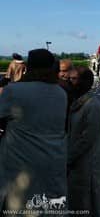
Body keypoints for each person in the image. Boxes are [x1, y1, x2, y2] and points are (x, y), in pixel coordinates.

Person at [0, 49, 67, 211]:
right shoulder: (60, 93)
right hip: (53, 160)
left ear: (29, 66)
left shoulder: (14, 91)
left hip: (21, 164)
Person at [67, 66, 100, 216]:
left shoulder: (93, 106)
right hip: (78, 162)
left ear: (84, 82)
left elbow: (87, 139)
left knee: (92, 200)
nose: (69, 82)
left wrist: (69, 157)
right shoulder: (78, 102)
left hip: (89, 162)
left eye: (73, 79)